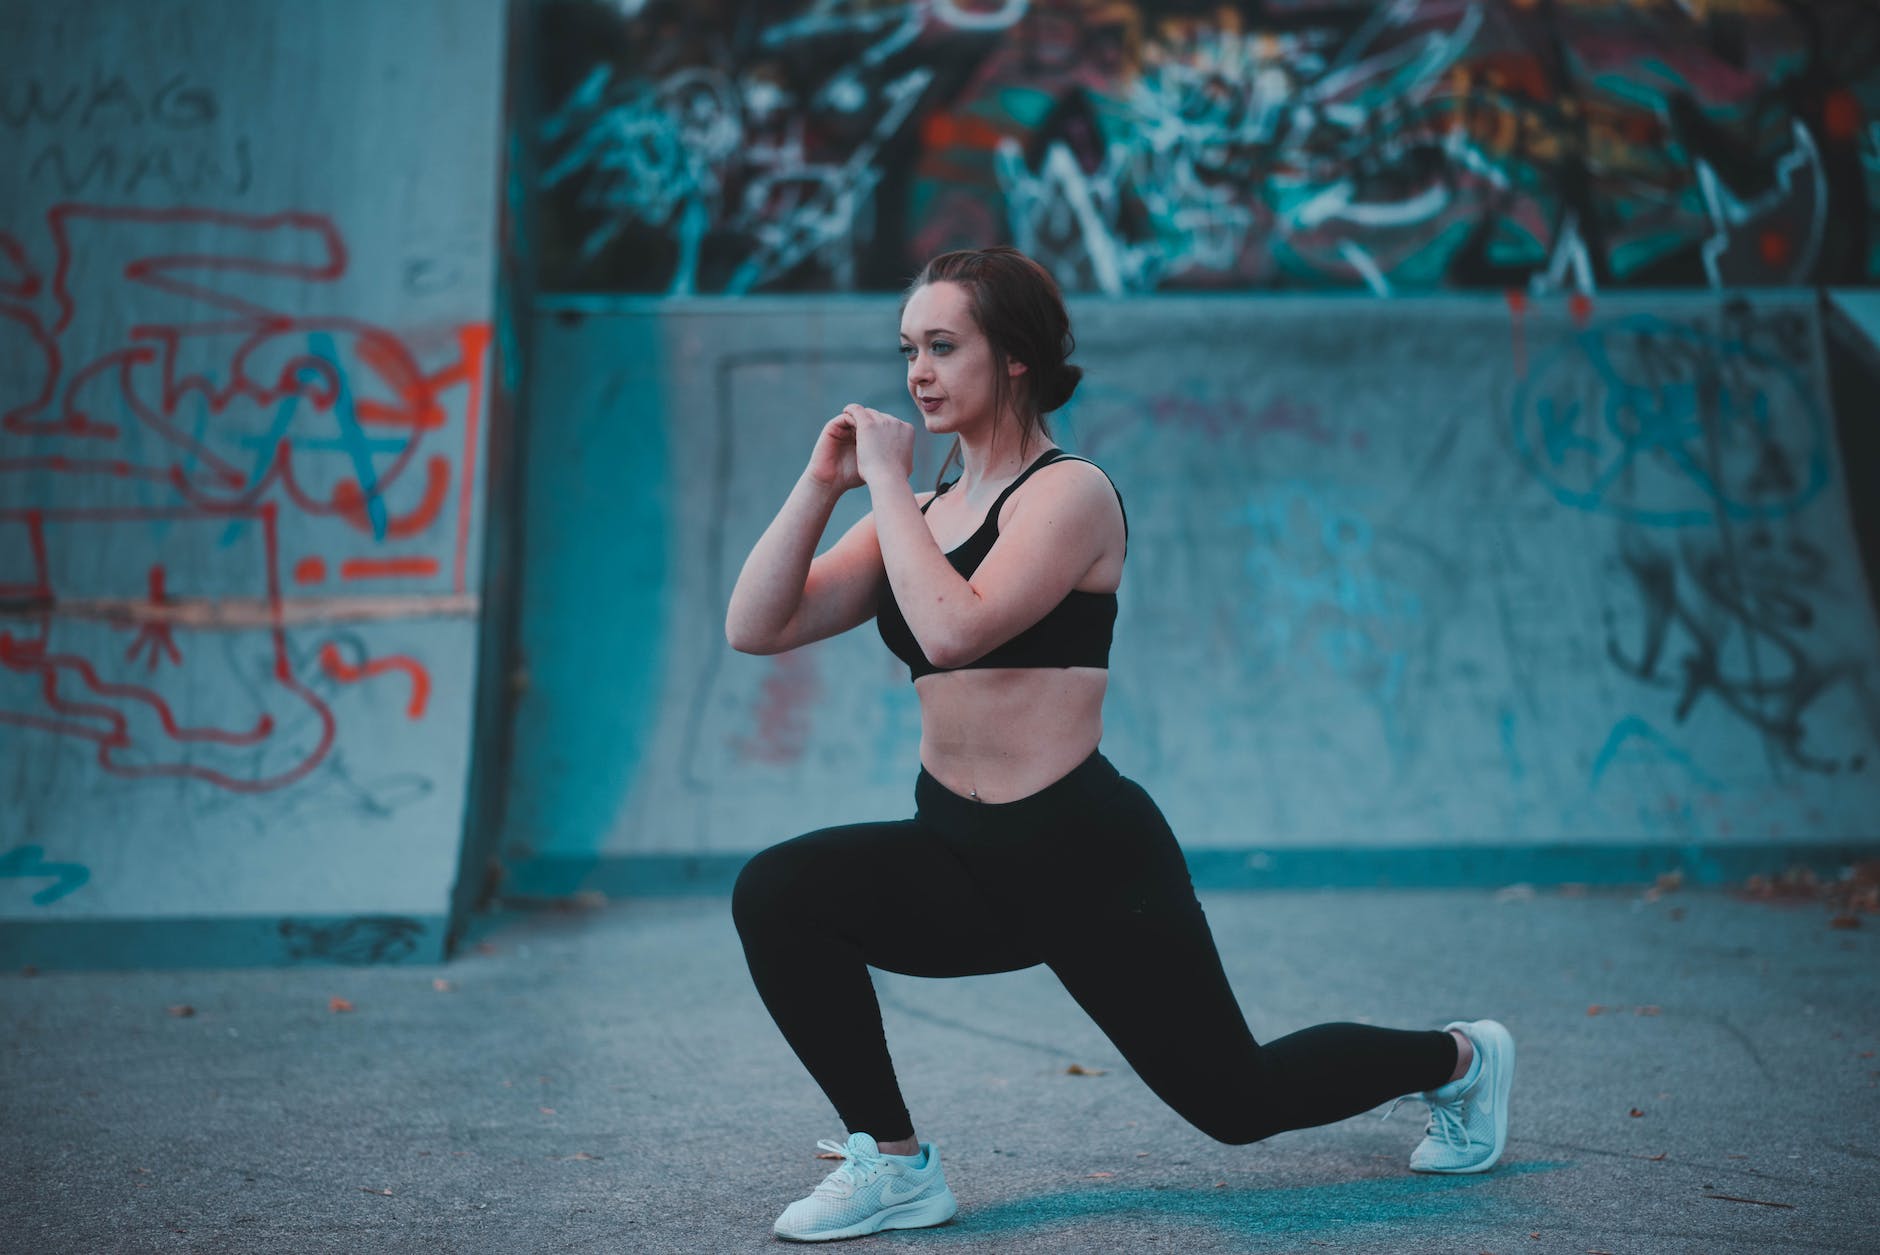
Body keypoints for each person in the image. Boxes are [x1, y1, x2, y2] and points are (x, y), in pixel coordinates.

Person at [724, 246, 1514, 1243]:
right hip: (956, 853)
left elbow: (956, 628)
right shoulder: (914, 513)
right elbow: (757, 626)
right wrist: (821, 482)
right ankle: (889, 1161)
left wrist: (883, 486)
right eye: (906, 349)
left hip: (1082, 860)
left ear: (1012, 356)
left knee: (1238, 1103)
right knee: (779, 891)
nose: (915, 372)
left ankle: (1457, 1058)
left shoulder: (1069, 495)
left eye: (940, 345)